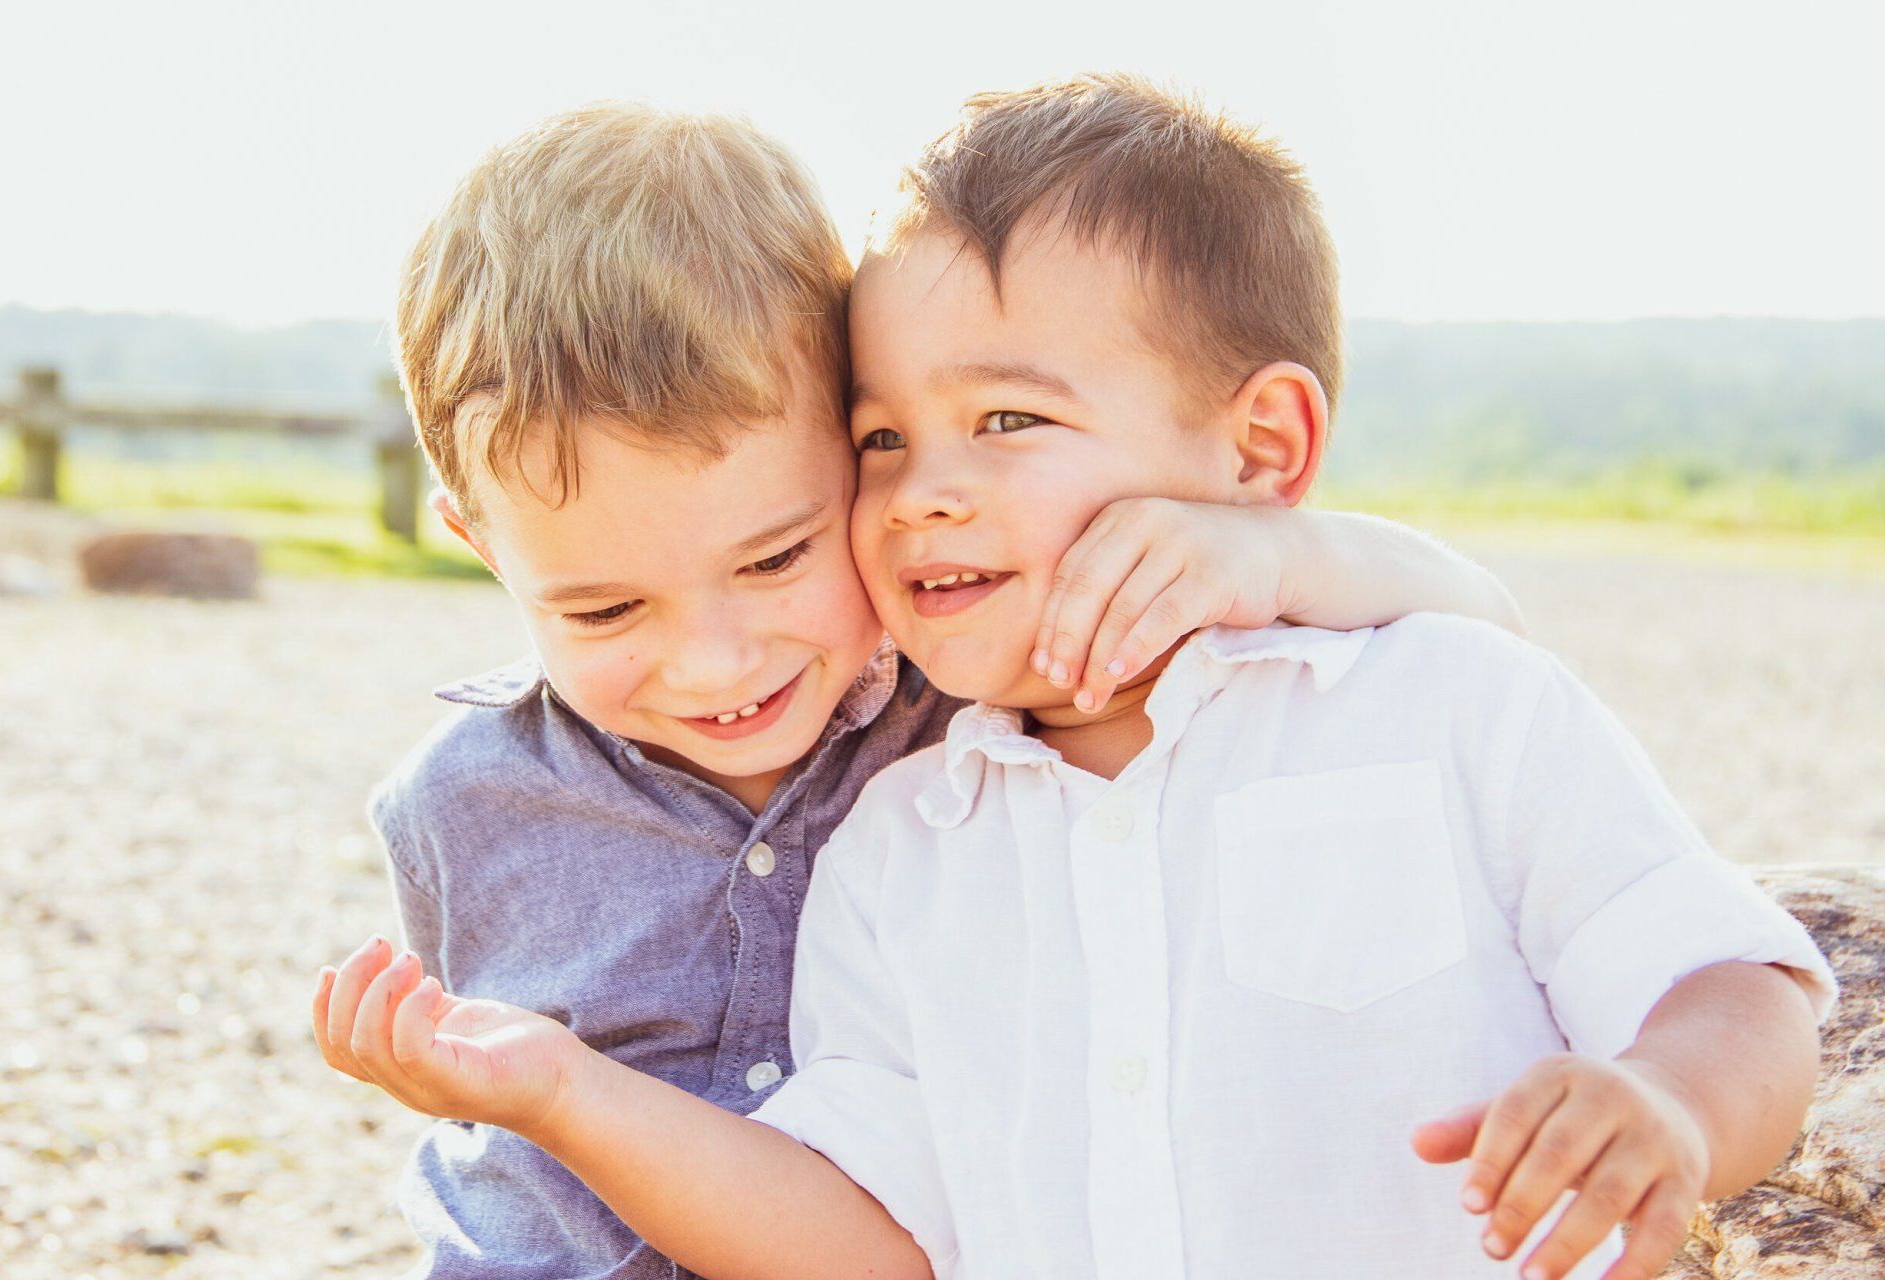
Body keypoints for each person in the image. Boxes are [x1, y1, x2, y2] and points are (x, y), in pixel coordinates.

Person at [310, 97, 1529, 1279]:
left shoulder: (972, 713)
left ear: (854, 445)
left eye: (779, 556)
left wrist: (1273, 553)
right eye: (602, 608)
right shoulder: (465, 805)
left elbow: (1484, 627)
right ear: (482, 544)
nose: (716, 663)